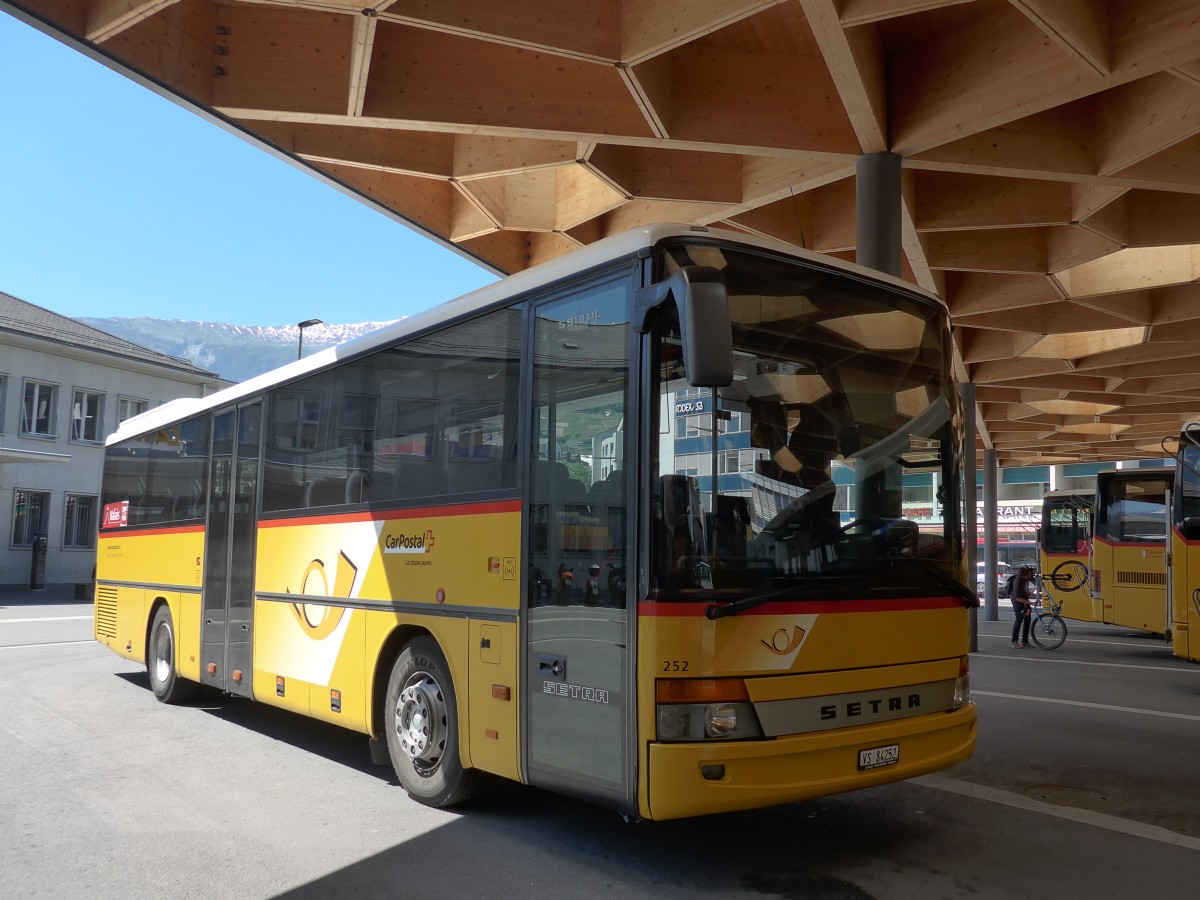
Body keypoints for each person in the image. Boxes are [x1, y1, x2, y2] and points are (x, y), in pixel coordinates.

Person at [1010, 566, 1035, 648]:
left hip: (1024, 600)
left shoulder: (1025, 578)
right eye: (1029, 575)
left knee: (1027, 619)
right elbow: (1018, 598)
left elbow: (1032, 581)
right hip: (1018, 602)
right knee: (1019, 619)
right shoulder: (1018, 582)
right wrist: (1030, 602)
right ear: (1025, 575)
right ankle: (1014, 642)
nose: (1030, 576)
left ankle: (1025, 641)